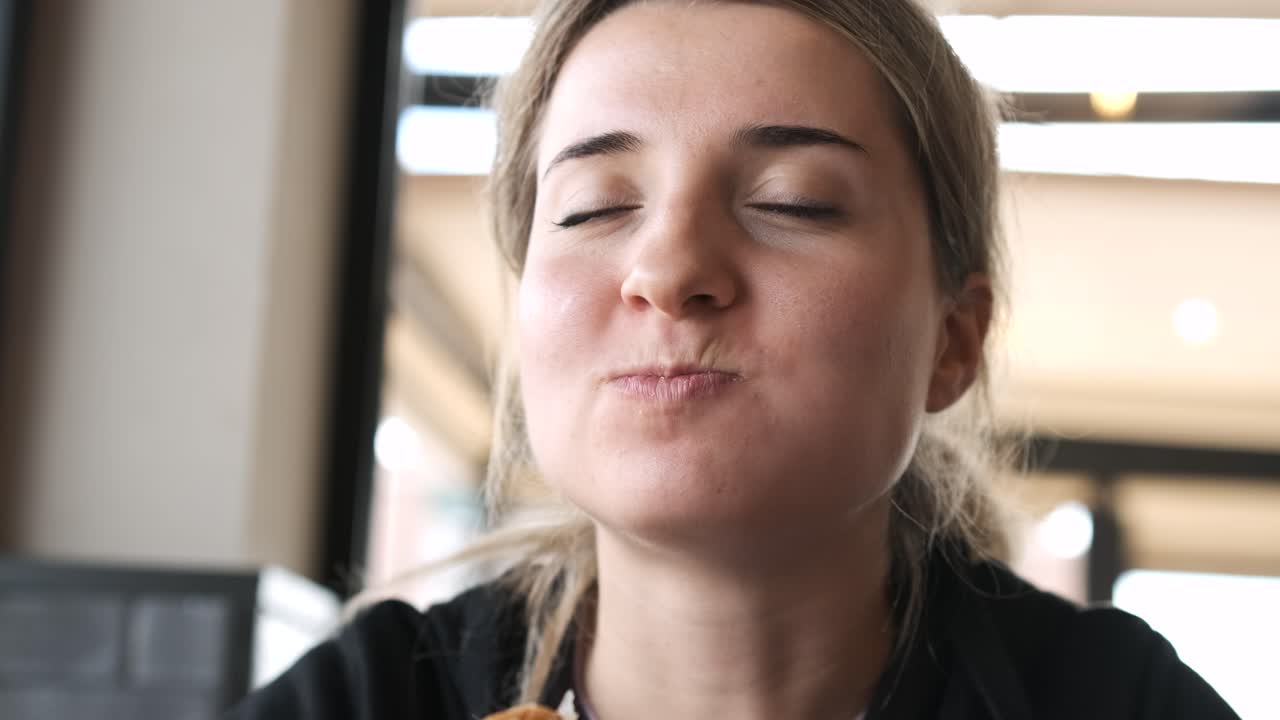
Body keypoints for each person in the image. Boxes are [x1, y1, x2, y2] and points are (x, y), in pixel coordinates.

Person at [228, 1, 1239, 718]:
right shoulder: (368, 698)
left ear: (951, 339)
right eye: (593, 208)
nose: (665, 268)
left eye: (791, 200)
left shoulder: (1110, 701)